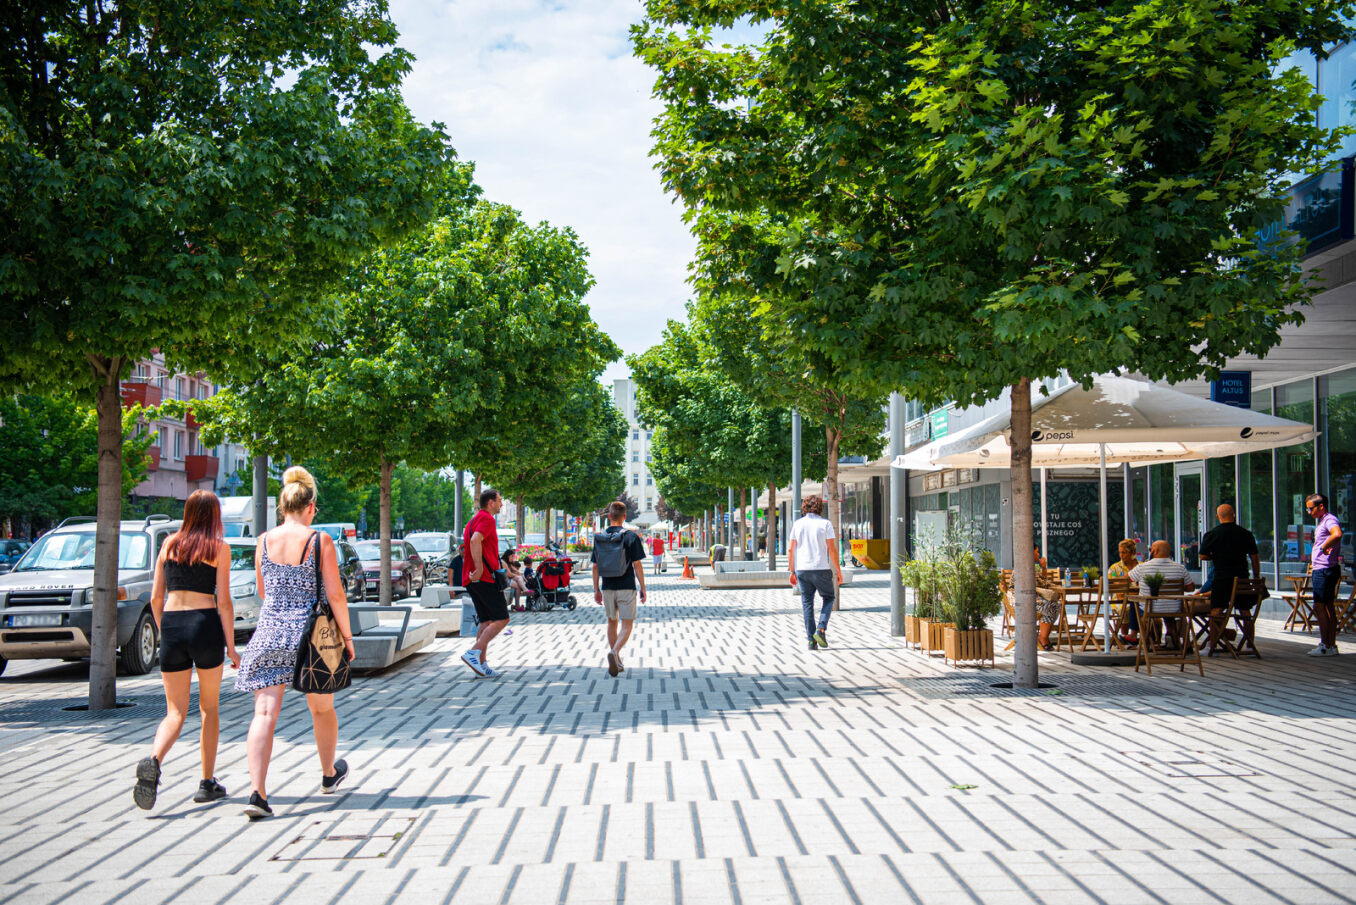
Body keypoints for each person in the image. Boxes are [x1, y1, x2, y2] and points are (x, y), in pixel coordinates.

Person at [236, 467, 356, 819]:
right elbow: (335, 594)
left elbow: (262, 591)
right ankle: (328, 774)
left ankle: (257, 793)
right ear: (311, 507)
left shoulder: (263, 541)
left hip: (270, 632)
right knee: (321, 708)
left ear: (283, 506)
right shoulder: (320, 541)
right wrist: (347, 639)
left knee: (264, 713)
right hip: (309, 637)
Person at [134, 490, 240, 811]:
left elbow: (155, 598)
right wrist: (232, 648)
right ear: (214, 515)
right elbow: (223, 602)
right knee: (209, 709)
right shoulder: (219, 548)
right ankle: (206, 783)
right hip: (205, 625)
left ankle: (153, 760)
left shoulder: (168, 545)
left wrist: (166, 628)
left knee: (175, 712)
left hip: (173, 626)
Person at [1197, 504, 1261, 656]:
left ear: (1218, 517)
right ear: (1234, 515)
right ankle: (1250, 646)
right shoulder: (1246, 534)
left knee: (1216, 611)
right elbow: (1254, 557)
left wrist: (1217, 556)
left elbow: (1202, 556)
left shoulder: (1212, 534)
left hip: (1222, 578)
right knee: (1245, 612)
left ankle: (1212, 646)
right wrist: (1256, 577)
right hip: (1241, 579)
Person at [592, 500, 647, 676]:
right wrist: (643, 588)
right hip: (626, 586)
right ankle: (615, 653)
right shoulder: (631, 537)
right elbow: (637, 565)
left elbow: (594, 566)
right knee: (627, 624)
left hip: (607, 586)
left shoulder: (600, 537)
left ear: (609, 516)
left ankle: (618, 660)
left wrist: (596, 590)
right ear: (624, 517)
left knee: (611, 622)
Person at [461, 489, 509, 677]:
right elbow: (475, 541)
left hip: (472, 579)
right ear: (490, 502)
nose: (501, 504)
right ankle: (474, 652)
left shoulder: (472, 521)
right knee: (502, 618)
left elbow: (474, 542)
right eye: (499, 500)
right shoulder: (487, 519)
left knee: (486, 621)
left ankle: (481, 664)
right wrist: (480, 568)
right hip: (484, 578)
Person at [788, 495, 842, 650]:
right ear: (820, 508)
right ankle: (821, 628)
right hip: (821, 568)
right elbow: (832, 549)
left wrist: (792, 571)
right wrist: (838, 570)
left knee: (807, 603)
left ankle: (811, 641)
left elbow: (791, 549)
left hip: (802, 570)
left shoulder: (798, 524)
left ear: (804, 507)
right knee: (829, 597)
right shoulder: (826, 524)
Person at [1128, 540, 1196, 648]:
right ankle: (1173, 638)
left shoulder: (1143, 567)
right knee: (1169, 608)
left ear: (1155, 551)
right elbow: (1191, 588)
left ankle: (1134, 635)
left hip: (1150, 608)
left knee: (1133, 602)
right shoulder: (1180, 568)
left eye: (1151, 550)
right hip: (1174, 609)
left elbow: (1129, 579)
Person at [1307, 493, 1344, 657]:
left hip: (1324, 569)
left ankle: (1325, 645)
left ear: (1321, 506)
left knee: (1319, 606)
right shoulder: (1324, 520)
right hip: (1326, 568)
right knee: (1328, 606)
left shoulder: (1329, 520)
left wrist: (1323, 548)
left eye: (1311, 508)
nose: (1309, 512)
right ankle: (1331, 645)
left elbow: (1337, 534)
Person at [1107, 539, 1142, 643]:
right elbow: (1112, 585)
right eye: (1120, 552)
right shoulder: (1115, 568)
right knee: (1126, 608)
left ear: (1132, 553)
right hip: (1120, 600)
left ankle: (1139, 637)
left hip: (1139, 598)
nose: (1121, 555)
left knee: (1142, 607)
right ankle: (1125, 637)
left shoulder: (1141, 566)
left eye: (1124, 552)